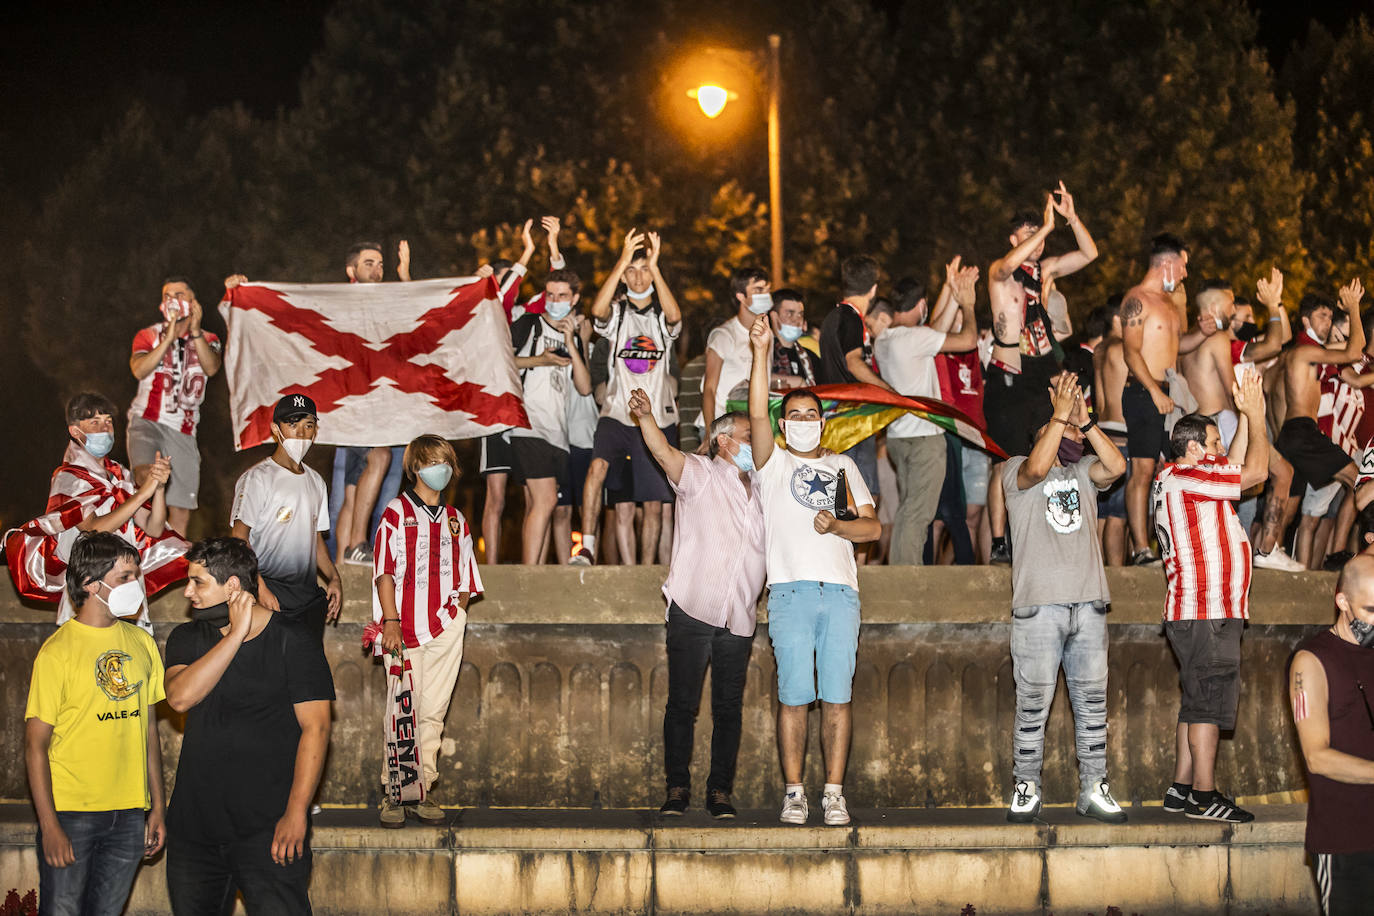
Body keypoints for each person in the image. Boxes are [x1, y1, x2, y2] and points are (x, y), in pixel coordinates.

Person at [748, 315, 879, 826]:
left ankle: (834, 793)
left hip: (840, 593)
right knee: (794, 697)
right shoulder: (773, 465)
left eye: (811, 414)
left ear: (823, 422)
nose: (803, 420)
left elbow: (873, 529)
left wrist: (839, 526)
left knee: (838, 697)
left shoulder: (844, 467)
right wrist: (760, 352)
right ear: (785, 425)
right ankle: (795, 792)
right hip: (789, 592)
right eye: (794, 414)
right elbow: (756, 413)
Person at [163, 537, 334, 915]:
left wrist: (296, 812)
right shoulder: (188, 637)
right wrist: (235, 635)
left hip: (269, 828)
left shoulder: (294, 639)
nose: (187, 591)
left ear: (233, 587)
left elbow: (317, 729)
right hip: (195, 830)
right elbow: (179, 698)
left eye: (198, 582)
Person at [627, 386, 765, 819]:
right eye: (748, 435)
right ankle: (677, 789)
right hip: (692, 608)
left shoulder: (763, 490)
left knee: (728, 709)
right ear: (724, 440)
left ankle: (720, 791)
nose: (756, 445)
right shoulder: (701, 474)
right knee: (682, 706)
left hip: (739, 617)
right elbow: (664, 452)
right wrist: (647, 417)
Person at [1001, 374, 1127, 823]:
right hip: (1039, 608)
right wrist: (1059, 416)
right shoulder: (1014, 468)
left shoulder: (1082, 472)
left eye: (1075, 431)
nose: (1074, 436)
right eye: (1065, 430)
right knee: (1032, 704)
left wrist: (1087, 420)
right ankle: (1026, 786)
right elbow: (1036, 470)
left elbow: (1116, 467)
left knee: (1093, 706)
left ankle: (1094, 787)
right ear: (1043, 430)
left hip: (1088, 604)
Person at [24, 533, 166, 916]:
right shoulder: (57, 652)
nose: (134, 585)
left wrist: (157, 807)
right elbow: (35, 745)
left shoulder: (142, 643)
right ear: (90, 583)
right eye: (124, 577)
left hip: (129, 812)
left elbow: (149, 731)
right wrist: (49, 824)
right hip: (72, 814)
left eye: (135, 576)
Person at [1155, 370, 1269, 824]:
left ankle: (1181, 788)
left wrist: (1242, 414)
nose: (1222, 452)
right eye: (1215, 444)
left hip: (1197, 609)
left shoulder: (1183, 477)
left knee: (1195, 698)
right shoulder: (1187, 475)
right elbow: (1256, 472)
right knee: (1208, 702)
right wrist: (1258, 417)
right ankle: (1205, 796)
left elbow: (1237, 461)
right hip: (1207, 610)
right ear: (1194, 449)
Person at [984, 184, 1099, 565]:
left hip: (1042, 372)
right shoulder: (1001, 274)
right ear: (1013, 238)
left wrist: (1071, 218)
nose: (1037, 242)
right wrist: (1046, 229)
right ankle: (999, 542)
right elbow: (1004, 266)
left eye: (1040, 235)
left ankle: (1033, 531)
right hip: (1008, 374)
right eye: (1029, 235)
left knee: (1043, 452)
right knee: (1004, 459)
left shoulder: (1045, 270)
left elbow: (1089, 253)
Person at [372, 435, 482, 826]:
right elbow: (384, 571)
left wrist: (457, 614)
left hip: (446, 627)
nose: (443, 468)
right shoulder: (396, 512)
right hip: (400, 628)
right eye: (435, 461)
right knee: (402, 708)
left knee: (433, 712)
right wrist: (390, 621)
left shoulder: (456, 519)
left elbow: (467, 576)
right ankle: (393, 792)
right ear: (416, 466)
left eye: (447, 461)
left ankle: (422, 789)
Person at [5, 392, 183, 630]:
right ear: (75, 431)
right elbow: (93, 528)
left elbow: (153, 526)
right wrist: (143, 493)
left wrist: (159, 488)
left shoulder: (119, 475)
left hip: (126, 584)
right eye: (94, 423)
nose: (104, 429)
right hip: (91, 585)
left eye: (108, 421)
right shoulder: (68, 477)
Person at [570, 228, 682, 566]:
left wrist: (656, 266)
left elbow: (676, 318)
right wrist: (621, 261)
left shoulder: (662, 316)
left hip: (658, 418)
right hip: (618, 414)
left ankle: (647, 571)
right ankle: (587, 548)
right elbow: (598, 309)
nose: (637, 276)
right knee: (596, 469)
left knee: (652, 503)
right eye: (632, 270)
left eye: (643, 269)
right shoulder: (618, 315)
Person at [871, 257, 979, 565]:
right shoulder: (915, 338)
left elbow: (936, 330)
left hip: (898, 438)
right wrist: (967, 304)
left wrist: (949, 287)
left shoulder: (888, 340)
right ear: (921, 305)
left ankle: (907, 572)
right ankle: (906, 581)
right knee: (918, 514)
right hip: (923, 440)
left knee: (910, 508)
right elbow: (967, 340)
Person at [1289, 554, 1374, 914]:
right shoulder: (1311, 661)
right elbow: (1316, 757)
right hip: (1345, 840)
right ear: (1342, 601)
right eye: (1371, 609)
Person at [1120, 233, 1206, 566]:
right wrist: (1154, 391)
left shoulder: (1169, 305)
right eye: (1183, 266)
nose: (1185, 274)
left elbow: (1177, 346)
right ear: (1167, 264)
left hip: (1169, 393)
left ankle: (1169, 543)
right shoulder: (1137, 299)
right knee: (1142, 469)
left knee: (1172, 470)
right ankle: (1140, 548)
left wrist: (1204, 333)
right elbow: (1130, 351)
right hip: (1144, 391)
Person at [230, 393, 343, 640]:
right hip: (269, 592)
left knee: (307, 675)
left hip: (307, 598)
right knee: (269, 674)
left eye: (308, 426)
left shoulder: (316, 482)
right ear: (275, 428)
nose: (301, 434)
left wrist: (334, 578)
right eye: (293, 424)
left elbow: (316, 540)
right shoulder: (257, 478)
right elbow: (239, 539)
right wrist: (260, 588)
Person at [1274, 283, 1367, 568]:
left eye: (1330, 316)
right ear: (1306, 320)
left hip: (1294, 433)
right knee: (1358, 478)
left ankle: (1269, 551)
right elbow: (1355, 352)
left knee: (1289, 508)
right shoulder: (1305, 351)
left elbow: (1270, 388)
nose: (1327, 322)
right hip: (1303, 432)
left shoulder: (1305, 352)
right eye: (1322, 316)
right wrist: (1353, 306)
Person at [333, 240, 413, 565]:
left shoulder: (385, 302)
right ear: (351, 270)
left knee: (354, 491)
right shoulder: (340, 303)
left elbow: (416, 317)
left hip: (382, 407)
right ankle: (356, 544)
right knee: (378, 458)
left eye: (380, 264)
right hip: (353, 405)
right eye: (369, 263)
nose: (377, 270)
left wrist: (404, 274)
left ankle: (341, 566)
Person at [478, 219, 553, 563]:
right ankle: (490, 569)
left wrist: (552, 247)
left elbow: (554, 292)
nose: (503, 286)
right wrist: (527, 250)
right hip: (494, 414)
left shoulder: (523, 315)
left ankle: (529, 568)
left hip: (525, 416)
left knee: (531, 494)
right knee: (496, 496)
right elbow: (500, 294)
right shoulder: (482, 315)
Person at [127, 276, 222, 534]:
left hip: (184, 430)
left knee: (181, 509)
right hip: (147, 421)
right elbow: (139, 369)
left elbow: (211, 367)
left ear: (193, 302)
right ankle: (144, 549)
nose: (172, 300)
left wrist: (194, 332)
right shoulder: (148, 335)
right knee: (144, 479)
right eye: (167, 295)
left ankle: (172, 564)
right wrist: (167, 339)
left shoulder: (209, 337)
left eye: (179, 294)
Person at [511, 268, 592, 563]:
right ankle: (529, 575)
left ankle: (536, 575)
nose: (554, 300)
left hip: (558, 433)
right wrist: (541, 360)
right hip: (529, 424)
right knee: (545, 501)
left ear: (574, 299)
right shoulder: (529, 324)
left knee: (537, 504)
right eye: (550, 294)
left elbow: (584, 388)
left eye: (562, 295)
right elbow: (502, 360)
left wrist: (572, 342)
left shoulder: (573, 337)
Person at [817, 254, 894, 508]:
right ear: (874, 288)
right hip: (852, 420)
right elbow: (854, 363)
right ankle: (850, 548)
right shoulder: (851, 317)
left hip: (838, 420)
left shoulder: (832, 318)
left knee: (849, 499)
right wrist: (889, 392)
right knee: (864, 501)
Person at [701, 267, 771, 424]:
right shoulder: (723, 335)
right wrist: (709, 432)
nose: (766, 295)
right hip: (722, 424)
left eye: (767, 290)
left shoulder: (767, 334)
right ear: (740, 296)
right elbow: (709, 388)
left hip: (752, 423)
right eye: (758, 290)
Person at [1093, 295, 1131, 566]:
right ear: (1118, 319)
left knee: (1101, 514)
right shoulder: (1124, 348)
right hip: (1122, 432)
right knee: (1118, 514)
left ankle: (1096, 572)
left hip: (1101, 432)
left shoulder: (1099, 349)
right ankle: (1116, 576)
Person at [769, 289, 816, 390]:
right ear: (774, 316)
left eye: (800, 314)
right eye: (790, 313)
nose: (796, 320)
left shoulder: (810, 358)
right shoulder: (763, 353)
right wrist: (798, 381)